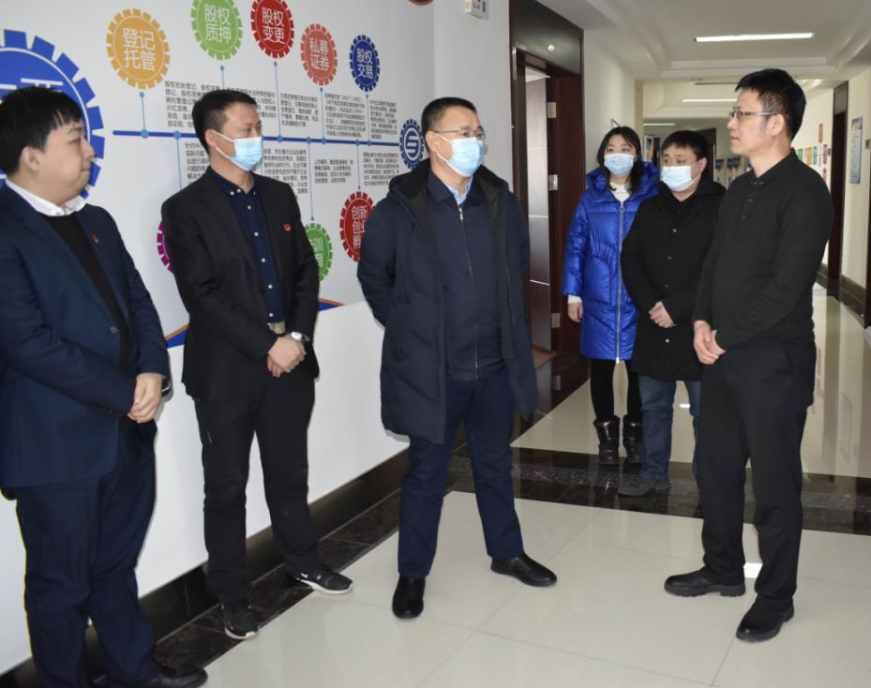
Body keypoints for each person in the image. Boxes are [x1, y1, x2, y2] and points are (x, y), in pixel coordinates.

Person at [0, 87, 206, 687]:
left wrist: (152, 374)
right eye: (76, 140)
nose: (89, 152)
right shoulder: (6, 229)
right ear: (32, 155)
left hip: (125, 434)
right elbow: (26, 342)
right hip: (56, 448)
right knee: (60, 588)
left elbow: (138, 304)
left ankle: (134, 673)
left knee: (115, 567)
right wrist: (123, 390)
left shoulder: (96, 221)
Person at [161, 89, 352, 642]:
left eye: (256, 127)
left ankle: (303, 561)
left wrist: (296, 337)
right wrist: (267, 344)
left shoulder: (278, 194)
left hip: (290, 360)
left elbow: (306, 271)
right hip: (226, 372)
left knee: (289, 474)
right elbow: (201, 294)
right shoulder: (185, 209)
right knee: (226, 488)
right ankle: (232, 596)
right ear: (212, 137)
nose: (255, 137)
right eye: (245, 129)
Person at [358, 97, 557, 620]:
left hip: (494, 366)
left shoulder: (498, 200)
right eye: (463, 131)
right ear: (433, 141)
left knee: (495, 465)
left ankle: (507, 552)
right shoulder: (400, 208)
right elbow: (374, 278)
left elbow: (516, 263)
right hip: (434, 371)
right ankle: (413, 573)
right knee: (426, 473)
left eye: (478, 131)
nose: (475, 141)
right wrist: (410, 326)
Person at [664, 69, 832, 643]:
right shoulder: (739, 189)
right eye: (734, 113)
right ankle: (722, 568)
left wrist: (724, 334)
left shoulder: (806, 192)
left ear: (776, 123)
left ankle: (777, 596)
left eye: (742, 113)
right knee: (716, 468)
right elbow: (713, 263)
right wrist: (701, 321)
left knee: (776, 485)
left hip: (773, 363)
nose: (732, 122)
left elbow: (786, 288)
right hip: (723, 355)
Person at [618, 130, 724, 496]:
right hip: (654, 326)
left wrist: (677, 307)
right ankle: (652, 473)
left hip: (701, 326)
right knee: (653, 406)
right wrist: (652, 304)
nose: (672, 167)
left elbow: (720, 268)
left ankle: (708, 481)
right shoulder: (651, 206)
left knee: (706, 412)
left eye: (681, 161)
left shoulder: (721, 207)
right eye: (666, 160)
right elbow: (630, 260)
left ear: (701, 164)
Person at [562, 127, 659, 465]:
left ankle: (634, 436)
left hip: (638, 298)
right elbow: (576, 247)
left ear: (637, 154)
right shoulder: (589, 199)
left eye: (626, 148)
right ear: (603, 155)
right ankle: (606, 440)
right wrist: (573, 295)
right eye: (612, 148)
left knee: (638, 369)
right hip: (598, 297)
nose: (618, 154)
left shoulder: (652, 196)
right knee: (601, 369)